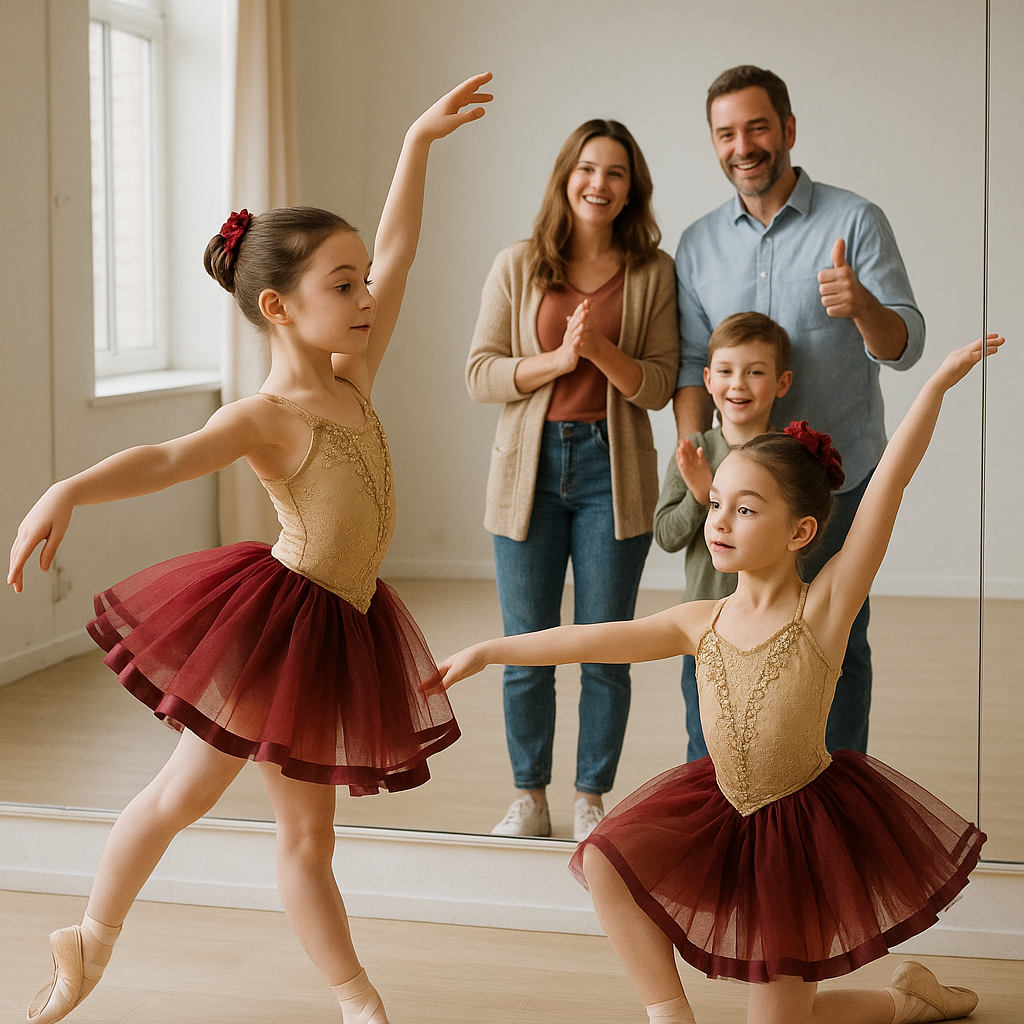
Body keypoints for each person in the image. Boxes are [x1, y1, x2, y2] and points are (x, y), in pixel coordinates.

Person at [7, 74, 493, 1024]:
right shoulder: (266, 416)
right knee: (232, 818)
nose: (365, 296)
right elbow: (166, 456)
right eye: (341, 285)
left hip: (340, 620)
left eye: (360, 284)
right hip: (284, 624)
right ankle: (336, 1001)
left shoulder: (356, 372)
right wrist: (68, 487)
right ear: (278, 307)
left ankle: (111, 946)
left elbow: (398, 247)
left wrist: (416, 143)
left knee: (257, 824)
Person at [437, 332, 1001, 1023]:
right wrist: (491, 650)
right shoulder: (698, 621)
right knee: (608, 863)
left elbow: (891, 481)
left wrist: (937, 384)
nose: (720, 522)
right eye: (715, 504)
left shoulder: (823, 610)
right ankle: (670, 1016)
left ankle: (904, 1001)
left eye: (745, 509)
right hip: (719, 809)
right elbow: (588, 637)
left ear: (799, 533)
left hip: (799, 832)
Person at [674, 64, 926, 757]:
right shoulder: (697, 244)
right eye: (726, 133)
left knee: (834, 639)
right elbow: (691, 367)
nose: (742, 145)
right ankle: (728, 793)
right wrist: (699, 465)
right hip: (741, 491)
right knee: (727, 641)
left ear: (787, 129)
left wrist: (861, 305)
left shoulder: (855, 220)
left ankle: (838, 796)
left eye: (756, 127)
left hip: (838, 482)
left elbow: (903, 346)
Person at [466, 119, 679, 841]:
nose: (599, 183)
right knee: (525, 647)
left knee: (604, 646)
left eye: (615, 172)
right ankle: (530, 796)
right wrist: (557, 364)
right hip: (527, 472)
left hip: (610, 474)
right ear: (566, 177)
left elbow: (657, 386)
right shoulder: (518, 263)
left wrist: (601, 352)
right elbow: (480, 372)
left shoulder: (653, 273)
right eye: (588, 168)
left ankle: (591, 797)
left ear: (631, 189)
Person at [654, 311, 791, 763]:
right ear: (709, 379)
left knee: (770, 745)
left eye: (755, 372)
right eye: (728, 372)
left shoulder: (789, 456)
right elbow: (666, 536)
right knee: (705, 746)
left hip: (775, 628)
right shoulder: (694, 449)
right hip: (707, 629)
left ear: (781, 382)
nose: (740, 384)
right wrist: (700, 494)